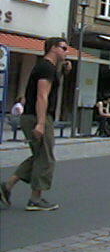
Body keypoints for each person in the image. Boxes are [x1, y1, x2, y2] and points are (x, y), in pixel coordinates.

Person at [0, 37, 70, 211]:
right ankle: (35, 199)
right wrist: (40, 123)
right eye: (63, 48)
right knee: (45, 158)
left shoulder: (48, 68)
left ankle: (7, 186)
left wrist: (63, 71)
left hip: (33, 116)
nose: (66, 51)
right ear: (53, 48)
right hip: (37, 116)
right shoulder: (46, 68)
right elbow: (42, 96)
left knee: (40, 155)